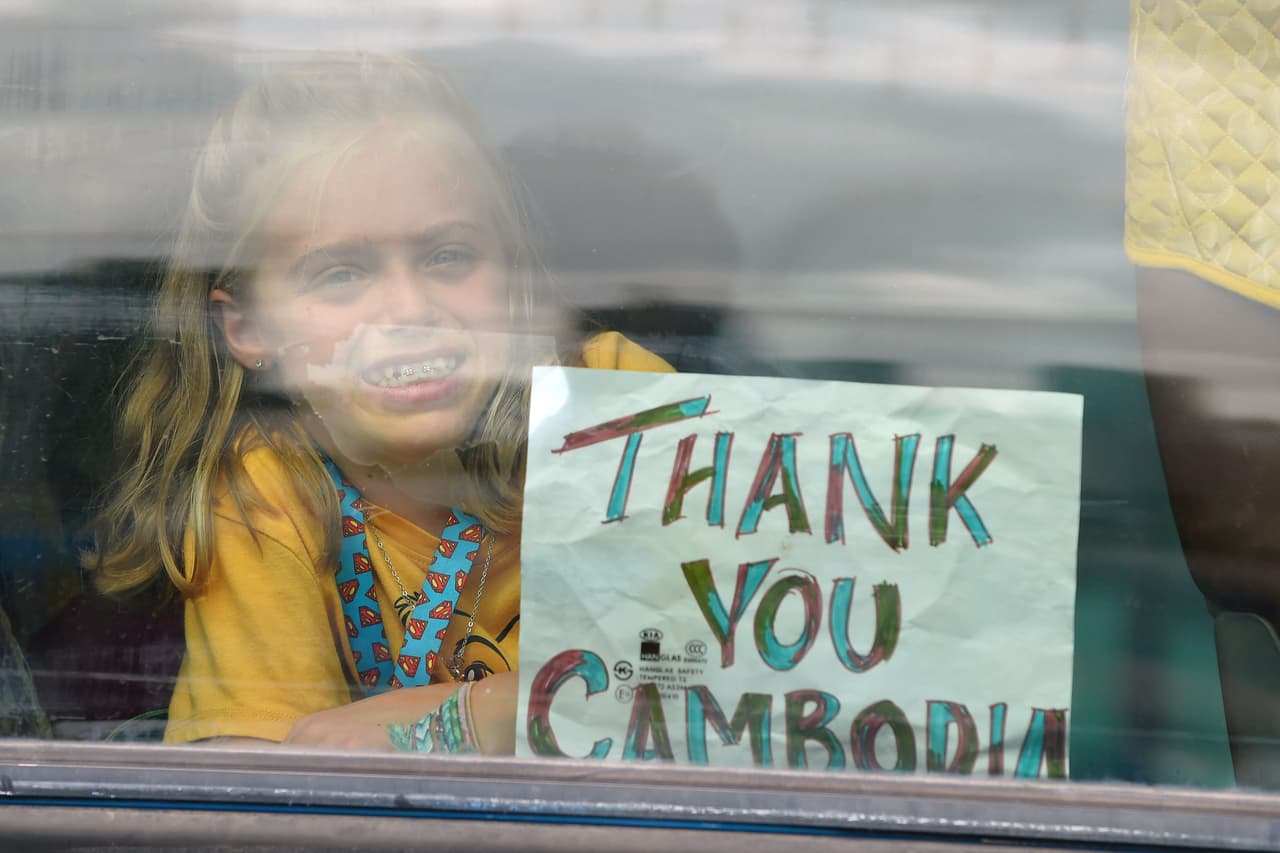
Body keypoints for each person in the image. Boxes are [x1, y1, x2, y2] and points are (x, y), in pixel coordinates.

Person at [84, 54, 672, 753]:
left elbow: (720, 682)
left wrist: (476, 714)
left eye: (448, 257)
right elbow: (264, 782)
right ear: (249, 329)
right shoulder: (265, 496)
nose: (409, 307)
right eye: (341, 273)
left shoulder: (608, 398)